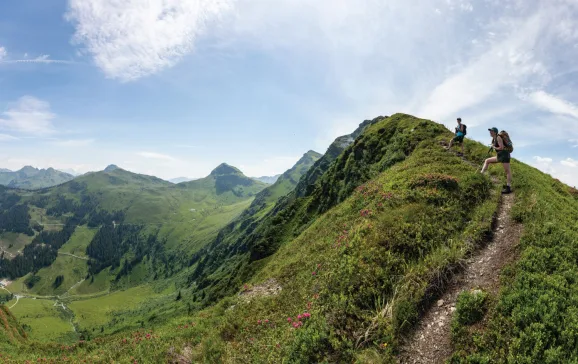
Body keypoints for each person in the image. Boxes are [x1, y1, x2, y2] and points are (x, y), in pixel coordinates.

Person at [481, 127, 512, 194]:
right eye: (490, 131)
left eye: (491, 131)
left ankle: (508, 187)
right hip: (500, 155)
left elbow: (501, 147)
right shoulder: (494, 139)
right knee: (487, 161)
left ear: (495, 132)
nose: (490, 132)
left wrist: (494, 147)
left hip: (504, 155)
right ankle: (481, 174)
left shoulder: (498, 137)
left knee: (507, 171)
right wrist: (493, 145)